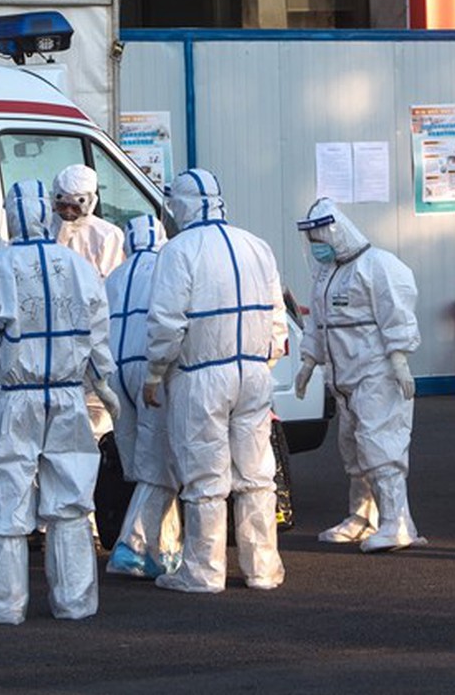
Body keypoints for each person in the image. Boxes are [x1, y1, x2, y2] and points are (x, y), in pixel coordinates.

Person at [0, 179, 119, 625]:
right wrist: (106, 388)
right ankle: (75, 601)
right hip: (68, 396)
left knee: (6, 497)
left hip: (15, 400)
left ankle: (6, 603)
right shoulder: (78, 267)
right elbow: (97, 335)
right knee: (71, 500)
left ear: (12, 216)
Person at [143, 168, 287, 594]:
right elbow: (277, 316)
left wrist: (154, 372)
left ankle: (204, 571)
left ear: (182, 204)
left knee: (204, 476)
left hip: (201, 376)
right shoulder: (256, 245)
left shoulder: (178, 251)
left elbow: (166, 322)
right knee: (256, 474)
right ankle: (262, 568)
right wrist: (265, 361)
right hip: (254, 373)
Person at [294, 197, 425, 552]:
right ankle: (363, 516)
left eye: (319, 238)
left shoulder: (378, 265)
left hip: (376, 375)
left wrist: (399, 359)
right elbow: (318, 323)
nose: (316, 246)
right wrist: (309, 362)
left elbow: (397, 313)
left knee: (380, 445)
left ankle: (397, 523)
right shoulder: (326, 274)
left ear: (335, 232)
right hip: (345, 380)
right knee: (354, 450)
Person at [104, 214, 182, 579]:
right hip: (151, 370)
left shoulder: (114, 277)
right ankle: (132, 546)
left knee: (143, 464)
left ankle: (164, 548)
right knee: (161, 463)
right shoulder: (167, 269)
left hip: (115, 373)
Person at [51, 164, 126, 442]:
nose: (69, 213)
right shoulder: (44, 230)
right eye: (63, 205)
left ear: (90, 201)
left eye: (76, 206)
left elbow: (110, 293)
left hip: (90, 340)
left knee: (94, 423)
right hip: (52, 342)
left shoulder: (107, 235)